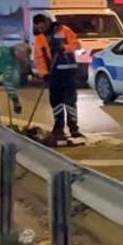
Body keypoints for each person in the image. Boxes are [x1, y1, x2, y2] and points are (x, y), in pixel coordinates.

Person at [32, 14, 83, 146]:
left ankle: (73, 127)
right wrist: (44, 73)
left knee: (70, 101)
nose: (41, 29)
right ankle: (59, 127)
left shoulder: (63, 30)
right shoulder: (39, 38)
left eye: (43, 26)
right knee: (56, 102)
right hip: (53, 74)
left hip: (68, 71)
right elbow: (39, 58)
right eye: (39, 27)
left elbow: (77, 45)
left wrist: (64, 48)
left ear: (48, 22)